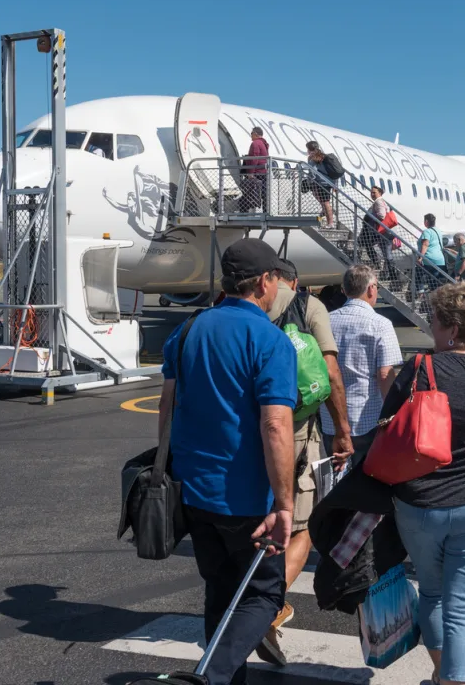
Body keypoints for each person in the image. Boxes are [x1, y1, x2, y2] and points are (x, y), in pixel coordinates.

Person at [158, 238, 297, 683]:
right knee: (262, 595)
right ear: (264, 282)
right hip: (246, 496)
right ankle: (211, 676)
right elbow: (275, 426)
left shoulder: (189, 329)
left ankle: (221, 678)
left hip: (194, 489)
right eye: (275, 278)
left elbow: (166, 405)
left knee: (219, 591)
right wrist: (285, 504)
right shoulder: (270, 340)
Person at [382, 283, 465, 685]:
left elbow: (388, 423)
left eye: (436, 320)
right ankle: (451, 679)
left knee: (433, 593)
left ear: (452, 329)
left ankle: (443, 673)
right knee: (464, 607)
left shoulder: (421, 368)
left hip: (422, 500)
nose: (432, 327)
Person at [262, 259, 352, 663]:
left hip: (248, 430)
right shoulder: (308, 306)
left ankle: (250, 602)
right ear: (292, 280)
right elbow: (330, 372)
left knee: (257, 520)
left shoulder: (238, 304)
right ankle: (266, 609)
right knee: (303, 524)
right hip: (297, 430)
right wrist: (343, 431)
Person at [320, 265, 403, 465]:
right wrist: (393, 416)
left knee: (335, 479)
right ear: (371, 289)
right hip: (366, 417)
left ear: (344, 290)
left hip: (330, 417)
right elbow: (385, 375)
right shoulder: (380, 323)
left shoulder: (326, 321)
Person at [306, 141, 342, 227]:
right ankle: (325, 210)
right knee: (323, 199)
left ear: (309, 149)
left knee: (326, 202)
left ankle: (330, 223)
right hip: (328, 182)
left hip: (321, 183)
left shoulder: (312, 158)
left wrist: (310, 181)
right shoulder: (322, 156)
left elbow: (312, 171)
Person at [242, 126, 270, 212]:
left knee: (248, 192)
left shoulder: (255, 143)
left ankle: (244, 211)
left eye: (251, 134)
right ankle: (265, 211)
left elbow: (254, 158)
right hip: (263, 172)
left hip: (257, 172)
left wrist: (250, 172)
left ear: (255, 134)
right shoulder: (263, 143)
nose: (250, 136)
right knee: (264, 193)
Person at [417, 214, 447, 290]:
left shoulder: (427, 232)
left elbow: (425, 245)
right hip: (440, 260)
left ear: (426, 221)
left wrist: (420, 257)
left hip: (429, 260)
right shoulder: (438, 231)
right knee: (434, 283)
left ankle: (420, 295)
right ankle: (432, 297)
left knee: (418, 276)